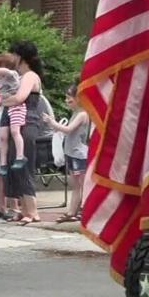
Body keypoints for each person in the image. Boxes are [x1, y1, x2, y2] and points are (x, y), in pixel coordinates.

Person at [0, 40, 45, 225]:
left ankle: (32, 211)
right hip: (18, 122)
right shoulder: (21, 76)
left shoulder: (29, 76)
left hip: (27, 122)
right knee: (14, 163)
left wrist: (4, 100)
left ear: (20, 57)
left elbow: (20, 98)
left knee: (24, 163)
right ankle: (24, 209)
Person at [43, 83, 90, 223]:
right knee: (76, 185)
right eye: (66, 98)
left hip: (79, 154)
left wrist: (52, 123)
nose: (67, 100)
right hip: (72, 153)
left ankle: (81, 210)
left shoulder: (82, 114)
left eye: (70, 97)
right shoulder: (76, 113)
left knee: (81, 184)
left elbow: (69, 130)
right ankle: (73, 211)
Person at [0, 52, 28, 175]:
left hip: (16, 107)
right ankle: (3, 163)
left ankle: (20, 156)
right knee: (3, 136)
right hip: (6, 108)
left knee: (15, 131)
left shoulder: (13, 75)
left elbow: (6, 72)